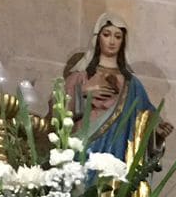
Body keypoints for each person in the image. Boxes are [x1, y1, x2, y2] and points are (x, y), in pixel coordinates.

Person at [64, 13, 158, 161]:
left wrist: (157, 130)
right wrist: (82, 93)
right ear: (98, 37)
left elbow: (146, 115)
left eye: (118, 36)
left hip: (118, 154)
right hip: (85, 149)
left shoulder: (131, 84)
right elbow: (58, 113)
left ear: (123, 41)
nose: (112, 41)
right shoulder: (81, 77)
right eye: (107, 35)